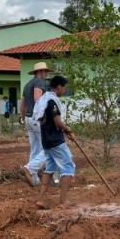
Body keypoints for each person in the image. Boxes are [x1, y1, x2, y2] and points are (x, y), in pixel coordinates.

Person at [33, 75, 75, 209]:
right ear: (58, 87)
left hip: (46, 141)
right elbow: (57, 122)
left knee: (50, 168)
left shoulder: (44, 100)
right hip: (55, 141)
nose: (65, 90)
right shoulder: (52, 101)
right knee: (68, 167)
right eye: (64, 88)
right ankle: (63, 201)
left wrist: (65, 131)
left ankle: (40, 199)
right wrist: (68, 129)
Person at [20, 62, 50, 186]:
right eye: (45, 71)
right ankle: (29, 168)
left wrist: (22, 118)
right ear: (40, 72)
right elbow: (38, 99)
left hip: (28, 119)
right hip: (37, 120)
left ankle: (35, 180)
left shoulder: (27, 85)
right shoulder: (39, 83)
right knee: (48, 149)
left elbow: (22, 104)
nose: (46, 74)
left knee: (35, 149)